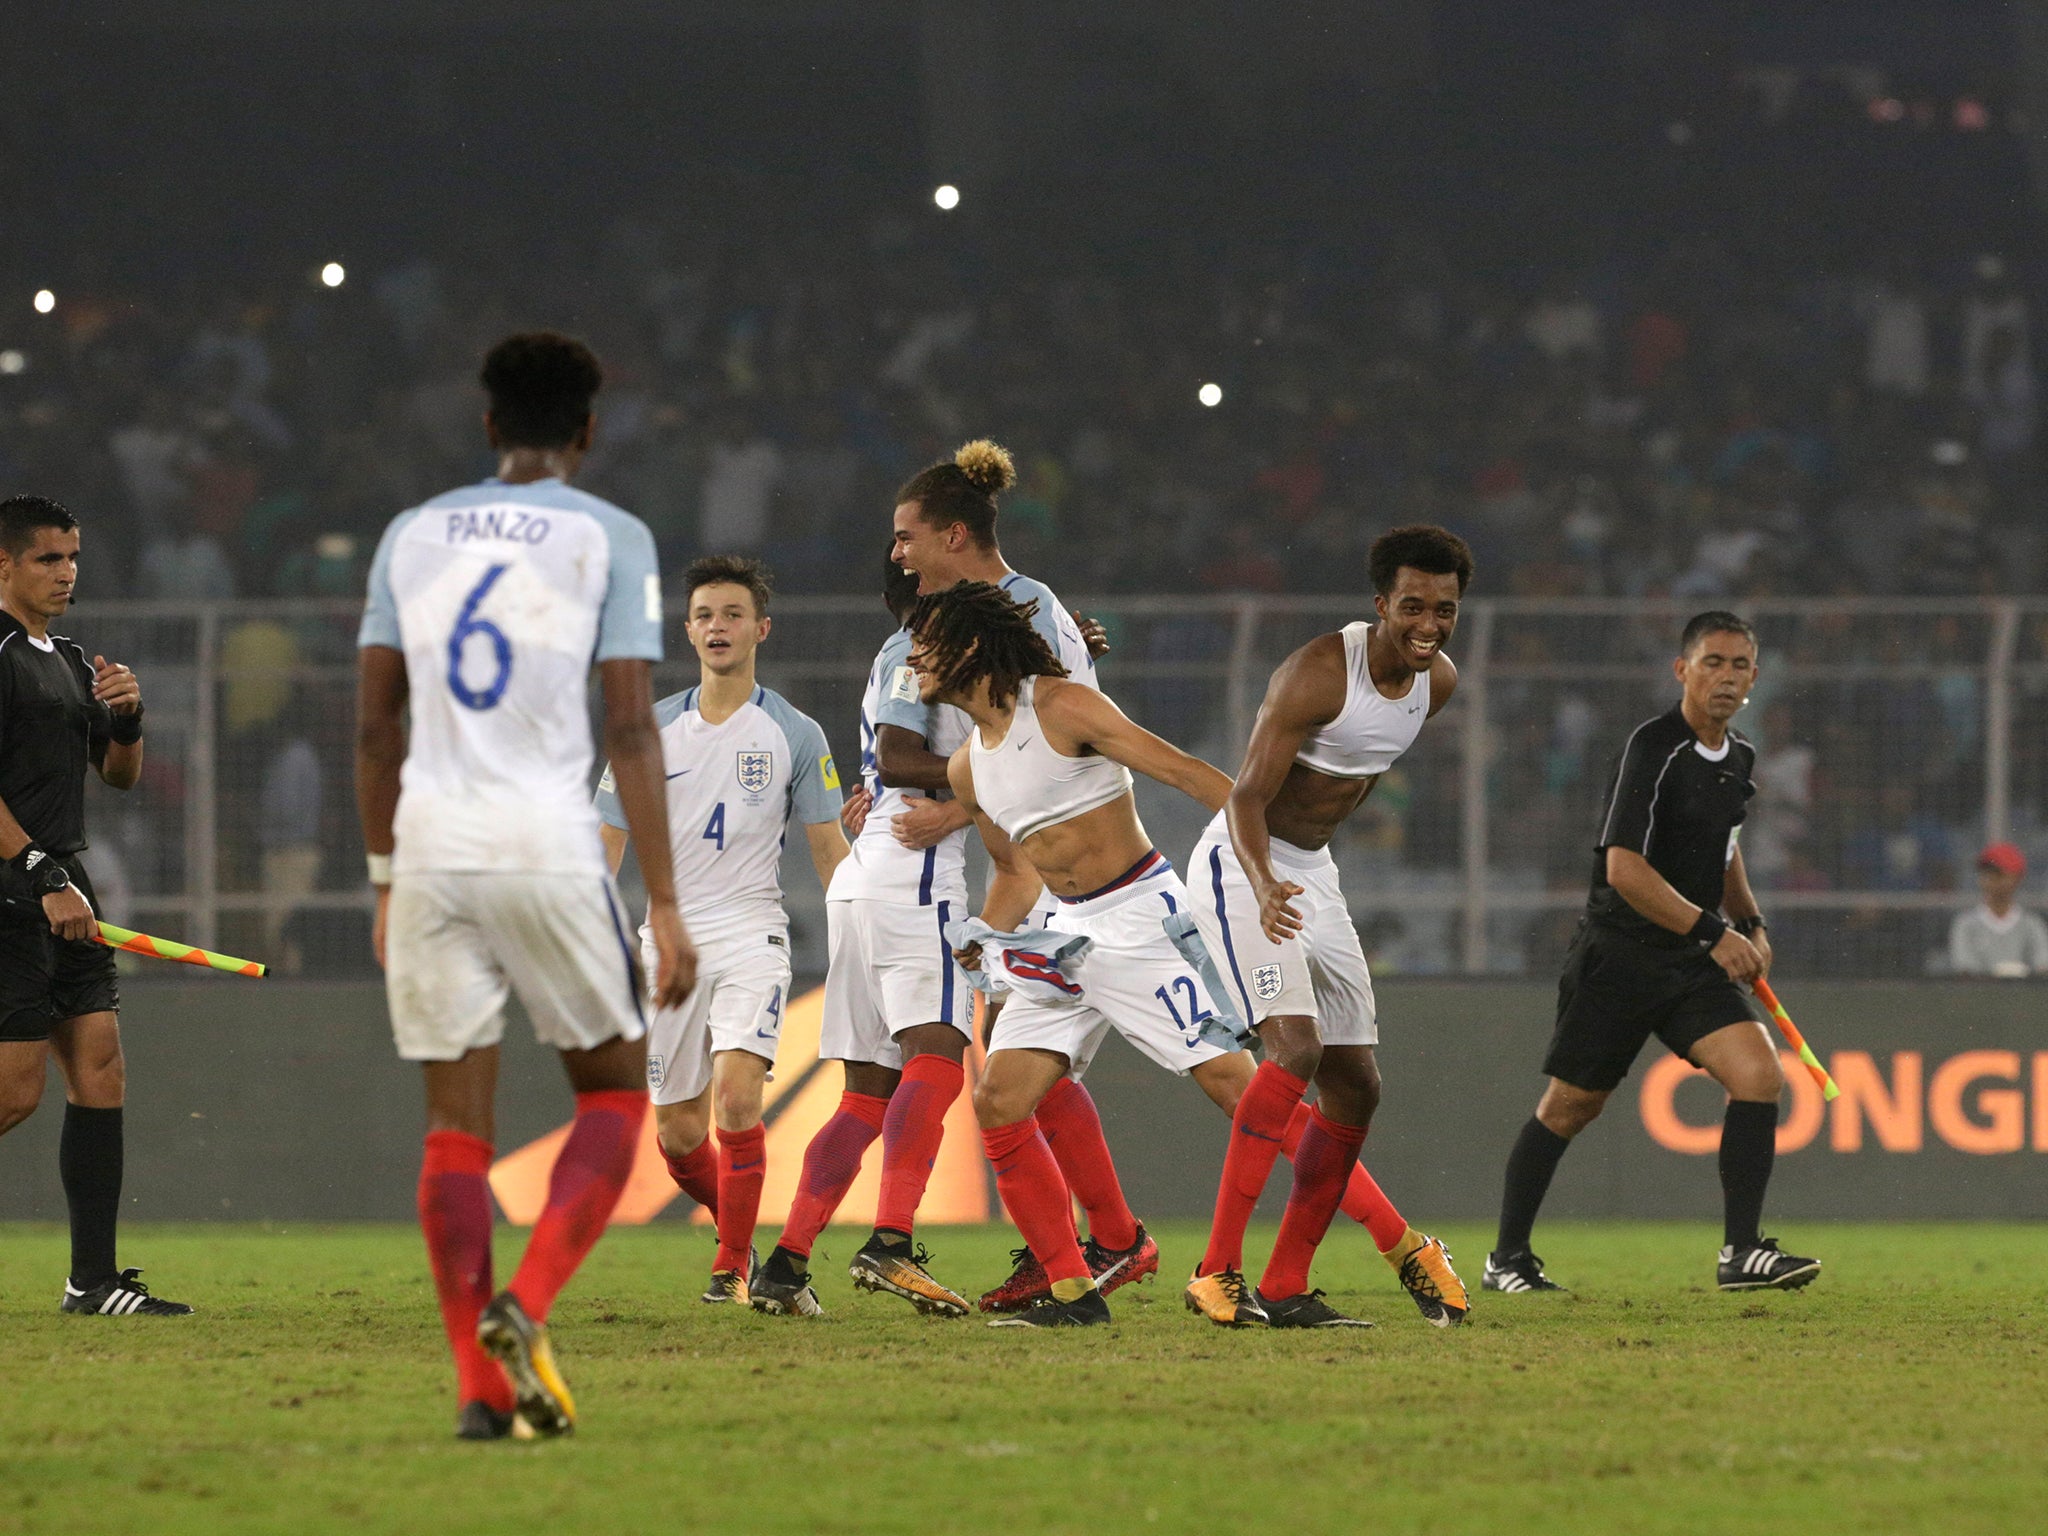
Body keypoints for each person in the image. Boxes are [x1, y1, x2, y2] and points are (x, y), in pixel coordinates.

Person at [356, 332, 696, 1442]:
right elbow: (632, 723)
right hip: (545, 843)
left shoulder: (410, 536)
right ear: (588, 431)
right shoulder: (612, 536)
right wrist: (662, 899)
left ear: (488, 423)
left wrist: (382, 879)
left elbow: (373, 725)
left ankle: (476, 1389)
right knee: (612, 1094)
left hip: (430, 848)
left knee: (454, 1127)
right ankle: (527, 1304)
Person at [915, 580, 1256, 1328]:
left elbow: (1190, 774)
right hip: (1067, 932)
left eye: (927, 637)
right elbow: (1017, 870)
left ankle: (1387, 1244)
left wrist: (1269, 866)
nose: (912, 653)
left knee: (1247, 1095)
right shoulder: (968, 765)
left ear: (970, 647)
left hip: (1142, 915)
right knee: (999, 1099)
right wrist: (982, 942)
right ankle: (1074, 1295)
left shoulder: (1062, 705)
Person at [889, 439, 1158, 1316]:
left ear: (955, 536)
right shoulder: (1034, 607)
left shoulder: (1019, 612)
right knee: (1025, 1078)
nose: (898, 556)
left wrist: (961, 808)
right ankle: (1102, 1242)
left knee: (1011, 1077)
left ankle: (1096, 1248)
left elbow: (1049, 746)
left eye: (908, 539)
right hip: (1044, 864)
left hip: (1058, 876)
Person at [1188, 525, 1474, 1329]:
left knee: (1357, 1084)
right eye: (1412, 606)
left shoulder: (1438, 683)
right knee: (1296, 1050)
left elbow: (1344, 785)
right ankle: (1216, 1271)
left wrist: (1299, 872)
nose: (1428, 624)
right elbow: (1245, 797)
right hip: (1245, 864)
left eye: (1444, 610)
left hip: (1314, 873)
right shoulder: (1318, 672)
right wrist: (1264, 878)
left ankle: (1285, 1285)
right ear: (1380, 605)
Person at [1484, 611, 1819, 1296]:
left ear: (1756, 677)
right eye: (1712, 663)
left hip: (1690, 959)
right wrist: (1714, 934)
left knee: (1759, 1075)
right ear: (1682, 671)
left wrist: (1750, 922)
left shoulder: (1743, 757)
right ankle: (1507, 1259)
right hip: (1620, 955)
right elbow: (1624, 870)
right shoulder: (1653, 748)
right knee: (1571, 1106)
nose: (1725, 677)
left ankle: (1741, 1252)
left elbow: (1725, 851)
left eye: (1738, 666)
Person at [596, 554, 848, 1308]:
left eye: (733, 614)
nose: (718, 627)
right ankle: (740, 1239)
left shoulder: (795, 733)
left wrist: (870, 940)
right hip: (668, 942)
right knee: (677, 1137)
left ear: (760, 629)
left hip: (751, 933)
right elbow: (602, 850)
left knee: (736, 1101)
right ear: (688, 630)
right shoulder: (646, 731)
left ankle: (730, 1269)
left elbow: (830, 849)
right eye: (705, 615)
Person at [750, 554, 976, 1317]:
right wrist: (1000, 777)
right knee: (940, 1055)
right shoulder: (918, 653)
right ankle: (891, 1243)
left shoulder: (913, 653)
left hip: (866, 875)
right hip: (911, 872)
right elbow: (899, 756)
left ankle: (784, 1264)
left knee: (864, 1097)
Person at [0, 495, 185, 1318]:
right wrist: (38, 874)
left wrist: (129, 719)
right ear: (4, 564)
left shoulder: (71, 658)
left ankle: (94, 1281)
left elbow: (117, 777)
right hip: (14, 886)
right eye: (48, 558)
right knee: (13, 1095)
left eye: (72, 556)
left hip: (64, 883)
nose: (67, 571)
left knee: (101, 1066)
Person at [1946, 842, 2048, 977]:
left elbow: (2042, 967)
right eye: (1985, 874)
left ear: (2017, 878)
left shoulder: (2032, 924)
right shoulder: (1965, 924)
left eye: (1998, 874)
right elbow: (1966, 970)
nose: (1990, 880)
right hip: (1980, 996)